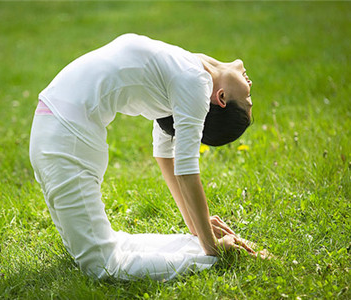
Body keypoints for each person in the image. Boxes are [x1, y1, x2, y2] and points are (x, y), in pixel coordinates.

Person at [29, 33, 258, 281]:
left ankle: (209, 252)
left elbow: (171, 160)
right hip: (61, 135)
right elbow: (178, 165)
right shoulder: (188, 70)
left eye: (247, 99)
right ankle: (210, 251)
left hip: (60, 134)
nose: (251, 85)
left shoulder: (191, 79)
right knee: (101, 262)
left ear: (221, 98)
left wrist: (203, 235)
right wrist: (207, 240)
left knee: (101, 263)